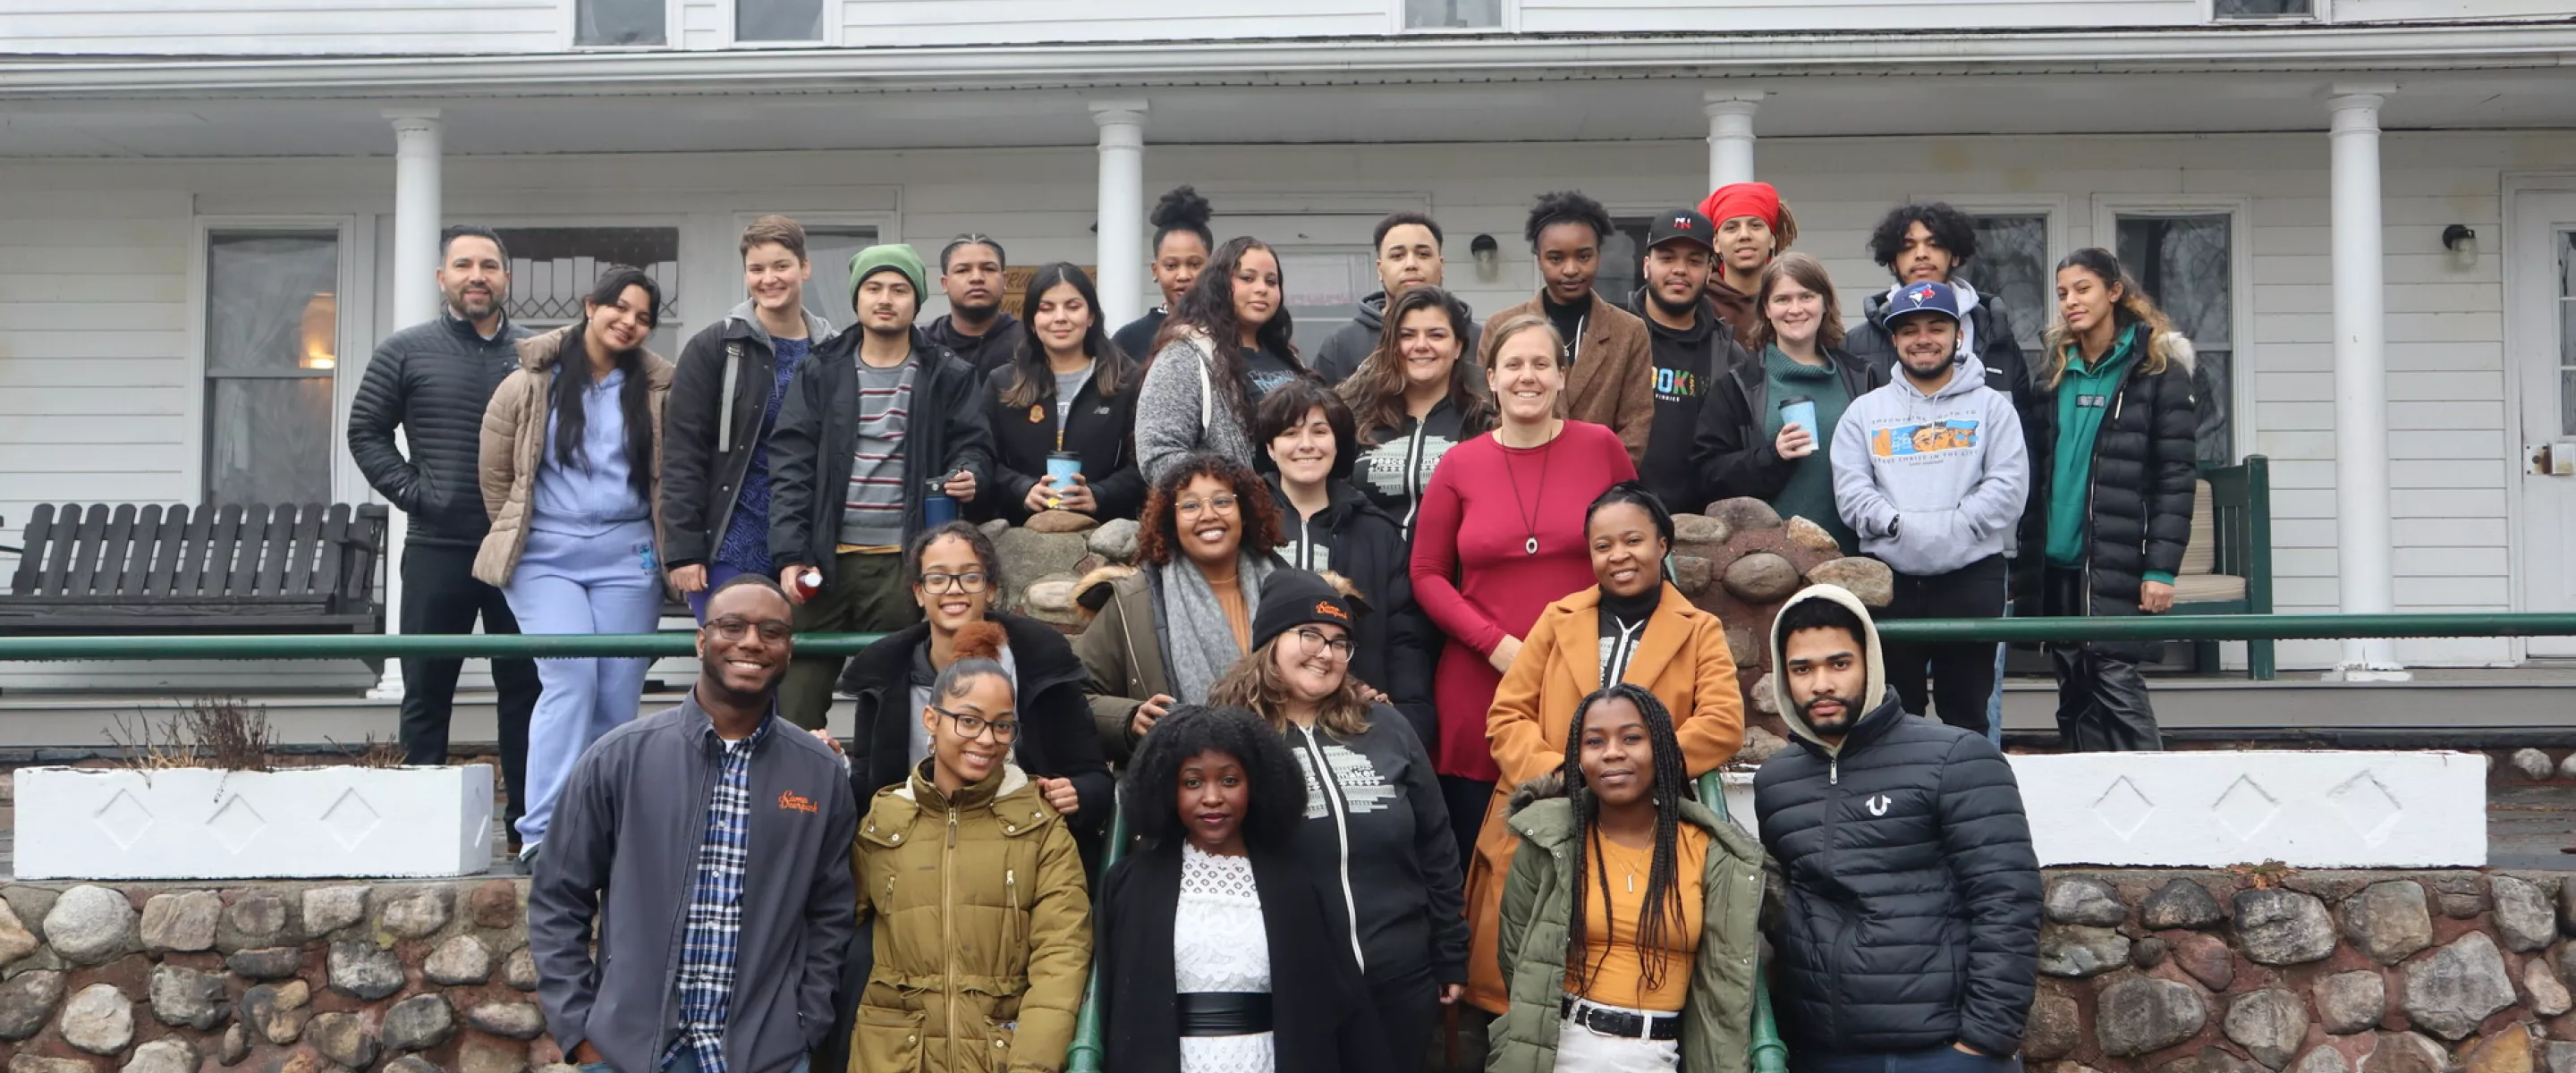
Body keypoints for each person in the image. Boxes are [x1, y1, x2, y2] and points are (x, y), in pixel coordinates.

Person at [529, 575, 857, 1073]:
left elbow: (830, 913)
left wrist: (804, 1021)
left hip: (764, 1054)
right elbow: (558, 896)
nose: (751, 642)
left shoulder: (819, 773)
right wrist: (581, 1029)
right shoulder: (619, 758)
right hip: (631, 1054)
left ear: (788, 651)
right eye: (732, 626)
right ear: (702, 639)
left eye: (771, 631)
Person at [1465, 483, 1744, 1018]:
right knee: (1514, 995)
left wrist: (1634, 771)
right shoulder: (1557, 618)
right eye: (1602, 545)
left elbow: (1721, 724)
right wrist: (1563, 774)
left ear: (1663, 544)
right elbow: (1508, 714)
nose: (1618, 556)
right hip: (1544, 812)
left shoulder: (1699, 629)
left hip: (1640, 826)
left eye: (1633, 540)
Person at [1753, 585, 2041, 1070]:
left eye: (1839, 664)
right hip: (1823, 1053)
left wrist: (1982, 1044)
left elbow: (2007, 902)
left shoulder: (1957, 757)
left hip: (1942, 1052)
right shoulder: (1776, 782)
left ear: (1870, 663)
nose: (1821, 683)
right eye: (1802, 669)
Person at [1208, 569, 1469, 1070]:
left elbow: (1436, 843)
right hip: (1289, 985)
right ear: (1270, 642)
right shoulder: (1230, 737)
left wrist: (1449, 950)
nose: (1325, 654)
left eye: (1340, 643)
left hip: (1400, 980)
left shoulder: (1385, 726)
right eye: (1309, 636)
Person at [1410, 314, 1637, 867]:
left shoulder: (1601, 448)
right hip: (1479, 684)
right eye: (1513, 364)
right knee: (1480, 867)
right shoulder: (1459, 465)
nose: (1526, 377)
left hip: (1584, 678)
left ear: (1563, 376)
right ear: (1491, 377)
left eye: (1542, 364)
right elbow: (1427, 574)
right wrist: (1495, 644)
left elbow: (1635, 552)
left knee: (1585, 857)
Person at [473, 266, 674, 862]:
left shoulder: (661, 388)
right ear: (591, 306)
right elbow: (496, 473)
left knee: (616, 695)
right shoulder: (529, 382)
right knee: (571, 676)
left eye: (643, 317)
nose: (629, 323)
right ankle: (544, 831)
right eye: (620, 309)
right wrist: (522, 531)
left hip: (628, 555)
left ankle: (603, 833)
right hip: (545, 558)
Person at [346, 224, 540, 838]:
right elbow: (366, 433)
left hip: (521, 552)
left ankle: (526, 830)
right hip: (437, 548)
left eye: (488, 265)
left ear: (506, 279)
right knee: (427, 689)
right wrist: (415, 493)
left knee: (528, 692)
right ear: (442, 278)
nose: (476, 276)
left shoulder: (537, 355)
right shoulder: (406, 350)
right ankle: (421, 831)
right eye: (463, 265)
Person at [1094, 704, 1396, 1073]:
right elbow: (1114, 1008)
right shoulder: (1130, 885)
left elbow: (1337, 1007)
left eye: (1229, 780)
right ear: (1166, 789)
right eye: (1192, 782)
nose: (1212, 797)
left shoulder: (1293, 886)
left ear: (1256, 786)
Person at [847, 621, 1093, 1073]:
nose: (986, 739)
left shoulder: (1041, 827)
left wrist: (1031, 1066)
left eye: (1003, 726)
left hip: (998, 1055)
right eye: (969, 720)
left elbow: (1061, 958)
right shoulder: (885, 819)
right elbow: (833, 926)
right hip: (892, 1057)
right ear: (931, 719)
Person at [767, 243, 994, 731]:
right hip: (822, 563)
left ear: (917, 300)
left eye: (899, 289)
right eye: (873, 288)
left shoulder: (947, 373)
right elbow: (790, 464)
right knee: (796, 705)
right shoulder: (821, 368)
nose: (885, 299)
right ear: (856, 298)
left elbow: (975, 445)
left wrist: (971, 471)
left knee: (895, 704)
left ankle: (885, 802)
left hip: (906, 563)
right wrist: (789, 556)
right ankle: (800, 802)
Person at [1489, 683, 1767, 1073]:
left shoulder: (1709, 852)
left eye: (1632, 738)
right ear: (1578, 757)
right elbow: (1517, 956)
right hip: (1558, 1051)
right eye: (1595, 741)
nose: (1613, 752)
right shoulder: (1549, 843)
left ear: (1662, 750)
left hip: (1658, 1054)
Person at [1829, 281, 2027, 735]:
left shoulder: (1993, 408)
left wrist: (1957, 526)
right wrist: (1897, 525)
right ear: (1894, 339)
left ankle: (1971, 803)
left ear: (1957, 334)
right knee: (1894, 716)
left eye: (1936, 327)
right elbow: (1853, 491)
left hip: (1973, 574)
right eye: (1910, 329)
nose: (1923, 338)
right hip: (1890, 579)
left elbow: (2009, 487)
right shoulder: (1864, 412)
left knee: (1969, 714)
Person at [2021, 248, 2198, 752]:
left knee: (2115, 677)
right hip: (2056, 558)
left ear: (2114, 292)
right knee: (2073, 684)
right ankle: (2088, 794)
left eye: (2083, 289)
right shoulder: (2054, 370)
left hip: (2116, 556)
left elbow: (2176, 475)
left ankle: (2153, 791)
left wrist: (2161, 570)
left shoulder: (2157, 370)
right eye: (2062, 294)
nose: (2071, 302)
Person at [836, 520, 1114, 835]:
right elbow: (865, 788)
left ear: (991, 589)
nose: (954, 589)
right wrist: (830, 766)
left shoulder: (1041, 662)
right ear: (919, 592)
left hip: (1025, 841)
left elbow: (1093, 779)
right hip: (916, 844)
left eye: (970, 577)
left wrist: (1077, 793)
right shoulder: (883, 673)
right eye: (937, 578)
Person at [663, 215, 835, 623]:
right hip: (729, 539)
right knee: (734, 664)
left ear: (804, 268)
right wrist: (685, 550)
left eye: (781, 266)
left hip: (807, 542)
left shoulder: (832, 352)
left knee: (790, 675)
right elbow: (682, 455)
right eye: (757, 269)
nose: (769, 279)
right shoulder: (714, 347)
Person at [1072, 452, 1286, 764]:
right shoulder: (1133, 600)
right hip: (1179, 782)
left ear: (1245, 511)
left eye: (1223, 501)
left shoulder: (1290, 589)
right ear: (1170, 520)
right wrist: (1129, 718)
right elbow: (1073, 694)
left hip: (1287, 774)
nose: (1208, 514)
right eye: (1190, 505)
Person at [1255, 378, 1436, 746]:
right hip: (1258, 714)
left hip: (1353, 718)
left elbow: (1405, 639)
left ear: (1337, 445)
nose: (1306, 445)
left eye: (1320, 432)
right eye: (1290, 433)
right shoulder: (1244, 524)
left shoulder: (1375, 531)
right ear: (1270, 448)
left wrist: (1409, 720)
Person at [1695, 253, 1884, 553]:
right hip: (1768, 568)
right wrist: (1773, 456)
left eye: (1807, 296)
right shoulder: (1739, 385)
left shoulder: (1863, 379)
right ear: (1766, 309)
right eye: (1782, 299)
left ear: (1824, 304)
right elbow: (1708, 476)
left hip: (1854, 562)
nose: (1795, 309)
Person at [1483, 190, 1652, 466]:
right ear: (1539, 258)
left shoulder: (1629, 331)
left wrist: (1598, 483)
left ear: (1599, 255)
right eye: (1556, 258)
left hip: (1600, 490)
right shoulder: (1500, 327)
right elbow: (1487, 413)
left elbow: (1636, 424)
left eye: (1584, 257)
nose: (1571, 269)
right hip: (1515, 476)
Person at [1845, 202, 2035, 427]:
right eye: (1908, 247)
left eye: (1934, 244)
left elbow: (2023, 430)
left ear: (1955, 256)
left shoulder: (1997, 335)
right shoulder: (1856, 344)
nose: (1921, 255)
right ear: (1893, 262)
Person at [1135, 235, 1309, 482]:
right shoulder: (1184, 356)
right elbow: (1158, 454)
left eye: (1271, 281)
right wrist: (1233, 493)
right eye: (1247, 278)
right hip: (1234, 514)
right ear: (1218, 285)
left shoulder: (1290, 358)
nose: (1262, 288)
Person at [984, 262, 1145, 524]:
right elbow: (984, 460)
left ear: (1091, 316)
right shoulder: (1002, 383)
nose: (1060, 317)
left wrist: (1100, 494)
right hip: (1021, 538)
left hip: (1108, 538)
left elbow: (1145, 464)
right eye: (1047, 308)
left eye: (1073, 306)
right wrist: (1021, 489)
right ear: (1032, 322)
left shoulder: (1128, 380)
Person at [1336, 285, 1496, 540]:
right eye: (1407, 335)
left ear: (1458, 347)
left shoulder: (1485, 421)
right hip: (1371, 572)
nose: (1421, 346)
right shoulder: (1358, 416)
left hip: (1453, 573)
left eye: (1436, 335)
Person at [1627, 207, 1745, 513]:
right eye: (1667, 258)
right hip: (1624, 519)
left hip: (1706, 529)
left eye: (1694, 261)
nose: (1680, 270)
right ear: (1646, 266)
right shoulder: (1614, 338)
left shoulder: (1730, 353)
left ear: (1709, 272)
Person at [1314, 212, 1480, 385]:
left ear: (1441, 266)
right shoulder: (1342, 343)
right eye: (1397, 256)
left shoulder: (1480, 340)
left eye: (1423, 254)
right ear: (1380, 269)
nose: (1411, 264)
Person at [1113, 185, 1215, 360]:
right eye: (1171, 266)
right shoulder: (1129, 340)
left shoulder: (1231, 330)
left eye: (1195, 264)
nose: (1183, 276)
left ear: (1212, 268)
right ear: (1155, 270)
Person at [1697, 182, 1797, 354]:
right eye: (1731, 227)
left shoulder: (1796, 301)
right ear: (1716, 244)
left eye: (1756, 225)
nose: (1744, 235)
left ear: (1772, 239)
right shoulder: (1699, 306)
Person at [925, 233, 1030, 376]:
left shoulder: (1028, 342)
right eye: (963, 270)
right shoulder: (924, 345)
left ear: (1004, 281)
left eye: (988, 269)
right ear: (945, 283)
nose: (977, 278)